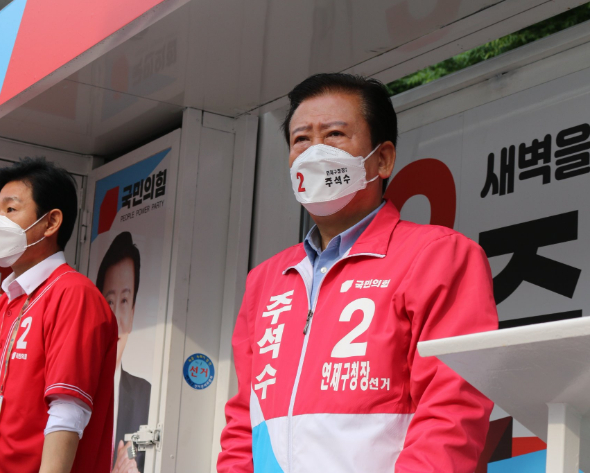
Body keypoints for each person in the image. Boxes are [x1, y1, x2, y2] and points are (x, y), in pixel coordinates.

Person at [217, 73, 498, 473]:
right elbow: (243, 423)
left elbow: (453, 409)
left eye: (333, 134)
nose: (315, 152)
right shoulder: (265, 280)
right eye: (301, 139)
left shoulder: (439, 256)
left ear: (382, 159)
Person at [0, 158, 118, 473]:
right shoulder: (5, 303)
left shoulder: (73, 295)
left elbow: (67, 411)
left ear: (51, 222)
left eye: (11, 210)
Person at [96, 231, 151, 473]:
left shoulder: (144, 394)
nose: (116, 317)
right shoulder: (76, 384)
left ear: (134, 311)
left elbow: (132, 451)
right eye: (108, 302)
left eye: (125, 301)